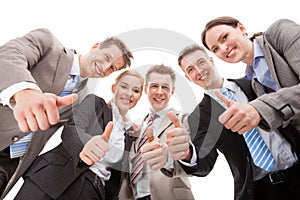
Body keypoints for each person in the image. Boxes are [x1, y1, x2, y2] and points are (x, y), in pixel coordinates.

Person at [0, 28, 133, 198]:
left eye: (112, 68)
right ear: (96, 46)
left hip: (13, 163)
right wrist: (25, 91)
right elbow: (9, 55)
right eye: (107, 57)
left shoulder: (83, 99)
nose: (106, 68)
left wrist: (88, 145)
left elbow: (74, 132)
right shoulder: (48, 44)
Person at [165, 44, 300, 200]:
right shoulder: (200, 116)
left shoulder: (253, 82)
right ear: (188, 77)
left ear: (211, 60)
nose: (198, 71)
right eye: (190, 70)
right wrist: (187, 153)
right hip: (261, 190)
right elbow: (204, 163)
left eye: (200, 62)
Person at [12, 70, 144, 200]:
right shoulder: (95, 103)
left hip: (92, 191)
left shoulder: (129, 136)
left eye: (136, 90)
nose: (129, 94)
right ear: (114, 88)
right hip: (55, 176)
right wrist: (87, 144)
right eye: (124, 87)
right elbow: (73, 128)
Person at [201, 16, 300, 135]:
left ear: (241, 28)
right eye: (215, 49)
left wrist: (259, 108)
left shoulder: (280, 32)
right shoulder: (254, 83)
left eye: (225, 37)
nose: (223, 49)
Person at [119, 64, 195, 200]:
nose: (160, 92)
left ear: (172, 91)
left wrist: (173, 157)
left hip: (170, 195)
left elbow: (192, 163)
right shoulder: (137, 125)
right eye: (154, 86)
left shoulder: (183, 120)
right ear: (146, 89)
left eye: (165, 87)